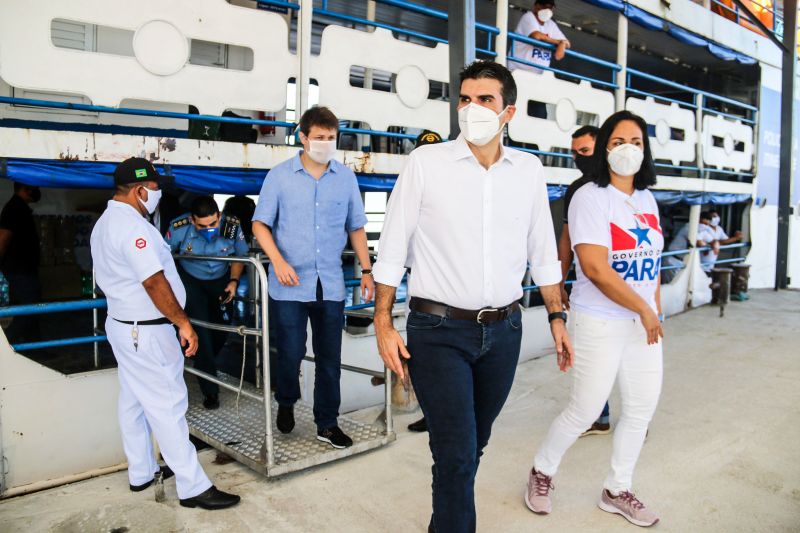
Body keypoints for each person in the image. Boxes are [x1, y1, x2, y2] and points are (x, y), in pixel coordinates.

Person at [373, 60, 572, 533]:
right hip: (439, 331)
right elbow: (393, 245)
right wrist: (383, 321)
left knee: (473, 444)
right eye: (464, 98)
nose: (472, 108)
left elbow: (543, 251)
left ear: (509, 113)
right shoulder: (427, 164)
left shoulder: (528, 170)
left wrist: (558, 319)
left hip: (504, 332)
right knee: (457, 454)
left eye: (485, 99)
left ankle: (443, 522)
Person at [525, 111, 663, 527]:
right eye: (619, 141)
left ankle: (617, 489)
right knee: (584, 411)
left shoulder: (646, 199)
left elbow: (651, 264)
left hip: (644, 326)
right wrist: (642, 308)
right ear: (606, 147)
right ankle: (541, 471)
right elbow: (596, 268)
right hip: (599, 322)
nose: (628, 149)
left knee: (640, 411)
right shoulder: (589, 196)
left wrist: (653, 309)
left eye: (636, 141)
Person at [90, 157, 239, 509]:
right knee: (168, 405)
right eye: (155, 189)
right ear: (141, 190)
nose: (158, 195)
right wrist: (183, 322)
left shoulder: (105, 222)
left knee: (132, 400)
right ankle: (193, 486)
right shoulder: (134, 228)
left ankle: (141, 472)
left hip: (124, 325)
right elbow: (154, 282)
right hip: (148, 331)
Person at [252, 106, 375, 449]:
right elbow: (260, 223)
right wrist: (277, 261)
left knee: (330, 359)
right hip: (288, 285)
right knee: (290, 354)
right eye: (319, 138)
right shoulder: (280, 176)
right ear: (303, 137)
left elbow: (356, 227)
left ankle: (327, 423)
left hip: (331, 284)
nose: (325, 143)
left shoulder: (345, 178)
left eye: (331, 138)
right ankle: (287, 400)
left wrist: (366, 270)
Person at [166, 196, 249, 409]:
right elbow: (162, 255)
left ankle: (203, 361)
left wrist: (233, 281)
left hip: (221, 280)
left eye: (213, 223)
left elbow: (241, 256)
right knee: (201, 332)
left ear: (219, 216)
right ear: (193, 220)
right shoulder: (179, 227)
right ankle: (210, 391)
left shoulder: (231, 226)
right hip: (191, 281)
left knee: (222, 330)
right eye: (202, 225)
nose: (209, 228)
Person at [557, 125, 613, 437]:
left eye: (585, 152)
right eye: (574, 153)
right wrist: (559, 282)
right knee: (593, 357)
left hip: (625, 286)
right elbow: (566, 239)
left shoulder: (623, 186)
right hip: (590, 289)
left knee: (629, 358)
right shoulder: (576, 189)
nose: (579, 158)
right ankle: (599, 416)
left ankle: (635, 420)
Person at [406, 129, 444, 435]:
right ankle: (430, 412)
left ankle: (437, 415)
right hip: (415, 280)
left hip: (442, 283)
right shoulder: (408, 184)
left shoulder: (453, 189)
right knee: (421, 353)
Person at [508, 0, 571, 118]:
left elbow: (567, 43)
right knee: (516, 113)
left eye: (550, 7)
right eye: (544, 6)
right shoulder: (528, 17)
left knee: (540, 114)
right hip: (518, 74)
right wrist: (558, 42)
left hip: (538, 79)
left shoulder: (550, 24)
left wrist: (562, 43)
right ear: (536, 6)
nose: (547, 10)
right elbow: (536, 36)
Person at [0, 182, 42, 343]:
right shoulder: (14, 208)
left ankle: (36, 349)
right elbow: (3, 238)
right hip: (19, 270)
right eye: (36, 187)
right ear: (27, 188)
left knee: (33, 307)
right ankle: (7, 344)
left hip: (25, 268)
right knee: (29, 310)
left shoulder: (19, 207)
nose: (38, 191)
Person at [661, 214, 713, 283]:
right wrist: (707, 246)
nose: (705, 225)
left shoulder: (702, 230)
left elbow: (714, 241)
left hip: (682, 260)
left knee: (681, 283)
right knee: (673, 283)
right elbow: (699, 243)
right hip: (673, 259)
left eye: (707, 223)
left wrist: (713, 244)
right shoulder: (689, 227)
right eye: (703, 222)